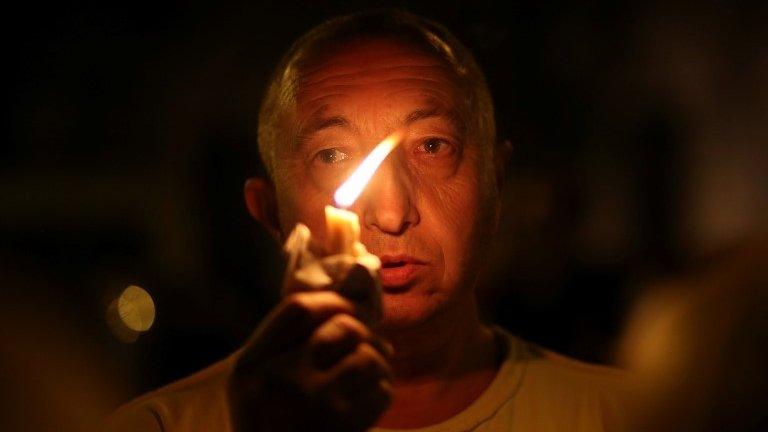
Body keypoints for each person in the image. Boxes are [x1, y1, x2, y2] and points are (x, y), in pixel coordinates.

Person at [105, 9, 630, 432]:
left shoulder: (631, 416)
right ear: (270, 213)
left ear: (495, 186)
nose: (391, 214)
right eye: (332, 155)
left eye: (432, 145)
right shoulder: (161, 425)